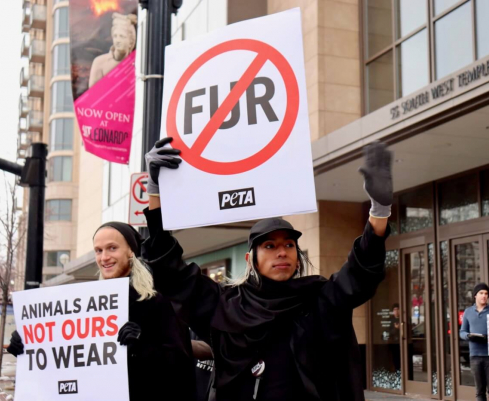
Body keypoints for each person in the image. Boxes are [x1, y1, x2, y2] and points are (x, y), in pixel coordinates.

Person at [141, 137, 392, 400]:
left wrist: (379, 210)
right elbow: (171, 273)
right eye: (270, 246)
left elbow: (359, 273)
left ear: (298, 255)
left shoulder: (319, 299)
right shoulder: (224, 305)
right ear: (251, 259)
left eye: (288, 245)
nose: (282, 251)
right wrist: (156, 189)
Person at [8, 221, 196, 401]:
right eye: (98, 250)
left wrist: (141, 347)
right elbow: (67, 358)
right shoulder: (85, 304)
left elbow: (180, 364)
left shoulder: (156, 300)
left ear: (131, 251)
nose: (104, 257)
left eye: (112, 248)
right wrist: (29, 343)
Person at [459, 283, 489, 401]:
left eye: (486, 294)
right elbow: (462, 331)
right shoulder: (468, 312)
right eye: (481, 293)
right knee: (479, 392)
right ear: (475, 295)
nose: (484, 296)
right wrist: (468, 336)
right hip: (475, 356)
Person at [89, 13, 137, 88]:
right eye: (115, 36)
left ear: (130, 41)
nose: (118, 40)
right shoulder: (99, 62)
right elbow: (93, 94)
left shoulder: (136, 64)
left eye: (122, 36)